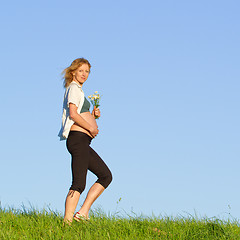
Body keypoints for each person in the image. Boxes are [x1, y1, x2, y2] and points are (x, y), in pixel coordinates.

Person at [58, 58, 112, 224]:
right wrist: (91, 128)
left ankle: (83, 212)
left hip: (83, 142)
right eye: (81, 70)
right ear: (73, 71)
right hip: (78, 140)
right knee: (78, 183)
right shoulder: (73, 88)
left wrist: (92, 116)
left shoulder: (79, 91)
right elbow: (73, 114)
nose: (84, 74)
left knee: (105, 176)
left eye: (87, 71)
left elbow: (79, 112)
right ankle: (67, 223)